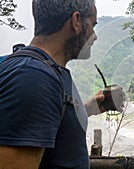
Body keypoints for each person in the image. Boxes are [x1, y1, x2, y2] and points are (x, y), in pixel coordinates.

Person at [0, 0, 109, 168]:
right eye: (93, 25)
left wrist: (86, 110)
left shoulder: (44, 71)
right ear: (76, 21)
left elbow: (43, 121)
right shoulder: (33, 78)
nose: (95, 36)